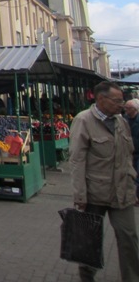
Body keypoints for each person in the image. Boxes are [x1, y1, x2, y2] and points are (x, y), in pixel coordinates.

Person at [71, 81, 139, 281]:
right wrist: (80, 194)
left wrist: (133, 185)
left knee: (129, 238)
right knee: (90, 241)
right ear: (101, 99)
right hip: (94, 194)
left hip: (122, 193)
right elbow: (76, 160)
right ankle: (87, 277)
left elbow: (128, 156)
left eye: (122, 100)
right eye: (117, 100)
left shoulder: (121, 121)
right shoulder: (83, 120)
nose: (121, 104)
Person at [123, 99, 139, 206]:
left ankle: (136, 196)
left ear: (134, 109)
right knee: (129, 174)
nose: (125, 110)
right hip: (128, 152)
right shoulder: (124, 119)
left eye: (128, 108)